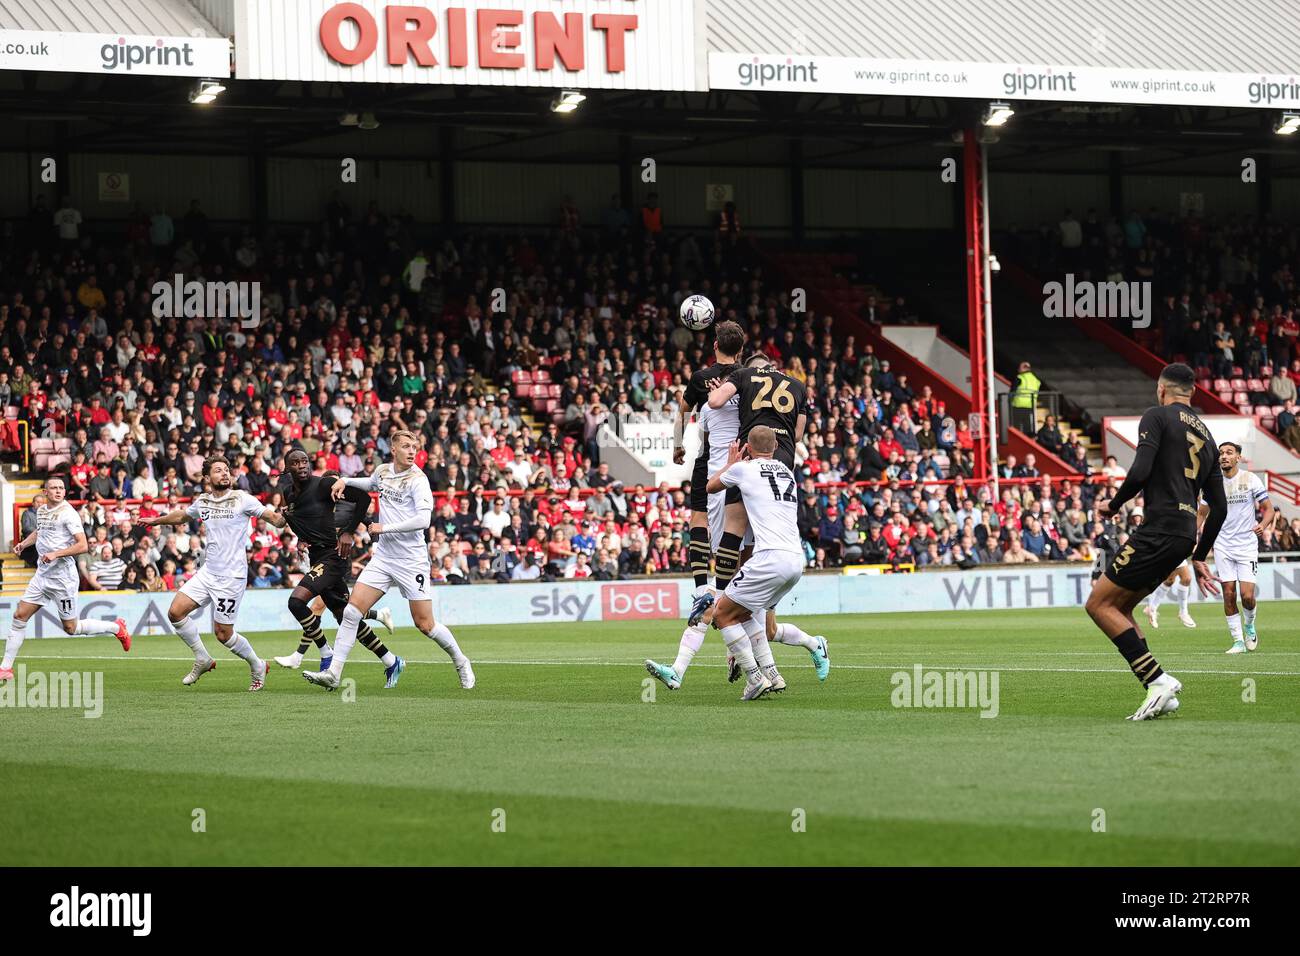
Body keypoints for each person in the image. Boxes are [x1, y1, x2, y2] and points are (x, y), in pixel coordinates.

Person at [1085, 363, 1226, 721]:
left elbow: (1141, 470)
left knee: (1098, 605)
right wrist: (1198, 555)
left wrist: (1113, 505)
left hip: (1158, 528)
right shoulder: (1209, 438)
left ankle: (1158, 681)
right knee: (1122, 609)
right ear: (1191, 392)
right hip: (1182, 536)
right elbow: (1218, 507)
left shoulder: (1157, 416)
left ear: (1162, 389)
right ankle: (1160, 690)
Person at [305, 430, 475, 691]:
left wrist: (385, 528)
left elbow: (423, 520)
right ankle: (334, 674)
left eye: (414, 447)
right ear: (393, 449)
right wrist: (344, 480)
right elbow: (371, 483)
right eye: (406, 446)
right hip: (384, 557)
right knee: (351, 612)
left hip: (411, 560)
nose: (411, 451)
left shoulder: (418, 480)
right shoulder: (384, 471)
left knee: (425, 624)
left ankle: (461, 661)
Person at [655, 427, 804, 701]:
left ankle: (755, 678)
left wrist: (731, 462)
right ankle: (772, 674)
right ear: (775, 447)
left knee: (719, 613)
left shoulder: (745, 470)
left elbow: (710, 486)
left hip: (768, 559)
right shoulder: (787, 472)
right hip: (796, 559)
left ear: (748, 445)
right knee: (741, 613)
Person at [138, 456, 287, 691]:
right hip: (208, 572)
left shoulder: (243, 499)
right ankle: (203, 658)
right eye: (218, 471)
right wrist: (157, 520)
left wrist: (286, 514)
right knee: (175, 612)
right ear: (207, 478)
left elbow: (275, 520)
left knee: (223, 634)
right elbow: (183, 516)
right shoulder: (203, 501)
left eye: (227, 470)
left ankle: (257, 664)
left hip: (232, 577)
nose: (225, 474)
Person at [271, 451, 401, 686]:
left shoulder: (323, 484)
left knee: (296, 601)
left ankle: (325, 652)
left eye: (304, 461)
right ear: (287, 467)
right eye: (295, 463)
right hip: (317, 556)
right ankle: (391, 660)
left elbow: (364, 499)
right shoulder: (289, 493)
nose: (301, 466)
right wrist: (301, 538)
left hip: (334, 556)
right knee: (345, 617)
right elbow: (300, 517)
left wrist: (349, 531)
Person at [3, 476, 130, 682]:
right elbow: (40, 531)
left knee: (71, 628)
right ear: (46, 491)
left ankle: (117, 628)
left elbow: (82, 546)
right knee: (19, 616)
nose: (58, 491)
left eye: (61, 488)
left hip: (63, 579)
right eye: (53, 488)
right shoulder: (43, 511)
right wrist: (23, 543)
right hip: (42, 575)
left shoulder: (68, 514)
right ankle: (5, 668)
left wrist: (56, 553)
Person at [1200, 442, 1272, 654]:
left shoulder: (1250, 479)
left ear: (1238, 457)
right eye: (1221, 453)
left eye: (1229, 453)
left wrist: (1263, 525)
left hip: (1247, 544)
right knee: (1229, 593)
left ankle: (1249, 626)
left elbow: (1268, 510)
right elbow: (1202, 513)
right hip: (1222, 544)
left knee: (1247, 596)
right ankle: (1238, 641)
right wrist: (1190, 536)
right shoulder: (1213, 483)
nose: (1224, 456)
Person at [1009, 361, 1041, 434]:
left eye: (1019, 368)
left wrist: (1009, 400)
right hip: (1030, 405)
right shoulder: (1035, 379)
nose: (1018, 369)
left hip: (1018, 405)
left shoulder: (1020, 377)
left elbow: (1012, 391)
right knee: (1028, 426)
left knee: (1016, 427)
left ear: (1023, 368)